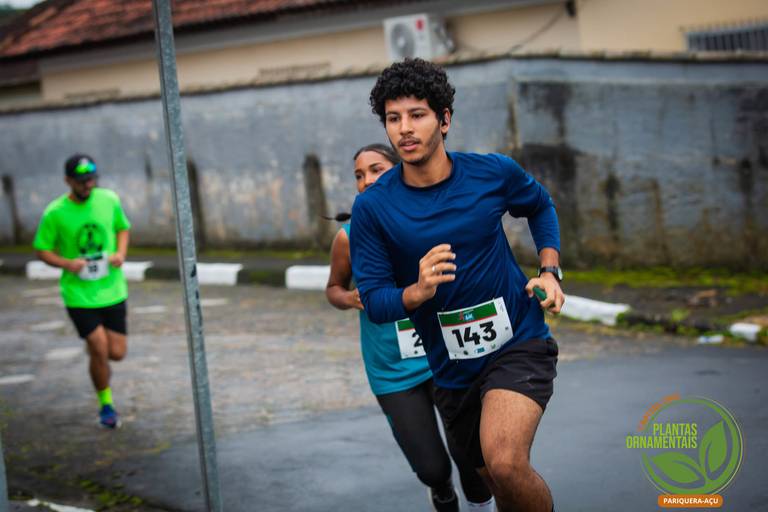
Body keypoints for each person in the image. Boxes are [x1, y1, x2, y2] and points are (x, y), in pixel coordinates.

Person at [349, 58, 565, 512]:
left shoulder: (492, 173)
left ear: (444, 120)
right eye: (393, 118)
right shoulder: (372, 208)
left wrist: (549, 270)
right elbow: (375, 299)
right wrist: (416, 291)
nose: (405, 129)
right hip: (450, 370)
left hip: (517, 342)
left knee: (506, 463)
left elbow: (540, 205)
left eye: (417, 115)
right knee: (494, 483)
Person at [326, 143, 494, 512]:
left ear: (400, 170)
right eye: (359, 175)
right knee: (433, 468)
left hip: (445, 356)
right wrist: (350, 298)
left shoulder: (430, 221)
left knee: (471, 454)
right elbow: (333, 289)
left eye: (376, 169)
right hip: (392, 371)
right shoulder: (349, 237)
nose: (366, 180)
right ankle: (442, 492)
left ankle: (481, 505)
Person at [33, 154, 131, 429]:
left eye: (91, 179)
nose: (88, 185)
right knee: (98, 347)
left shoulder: (109, 199)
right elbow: (42, 249)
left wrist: (120, 254)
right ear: (68, 181)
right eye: (82, 181)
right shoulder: (55, 212)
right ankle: (106, 405)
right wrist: (67, 263)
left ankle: (98, 361)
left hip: (112, 290)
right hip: (78, 295)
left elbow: (123, 228)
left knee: (116, 353)